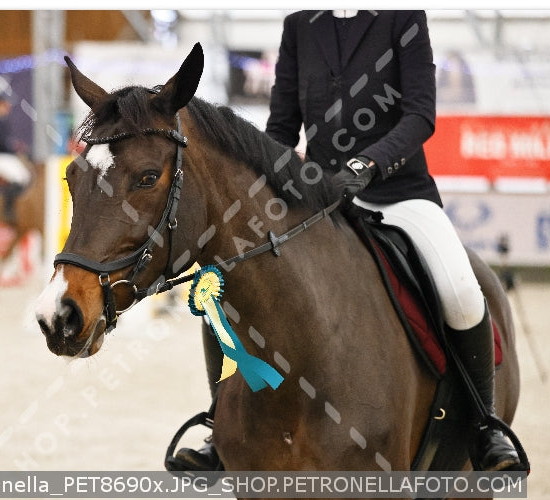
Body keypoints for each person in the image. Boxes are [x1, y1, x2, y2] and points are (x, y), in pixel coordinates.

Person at [171, 10, 524, 473]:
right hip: (321, 197)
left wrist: (368, 165)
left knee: (460, 290)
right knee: (227, 284)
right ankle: (222, 425)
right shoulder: (300, 24)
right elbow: (281, 126)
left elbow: (420, 115)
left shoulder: (404, 19)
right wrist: (263, 188)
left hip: (400, 192)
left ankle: (485, 426)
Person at [0, 94, 30, 225]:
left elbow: (7, 141)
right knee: (17, 178)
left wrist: (16, 147)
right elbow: (1, 144)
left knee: (25, 176)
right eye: (4, 105)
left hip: (5, 156)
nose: (7, 108)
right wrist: (14, 150)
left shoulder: (2, 121)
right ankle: (7, 210)